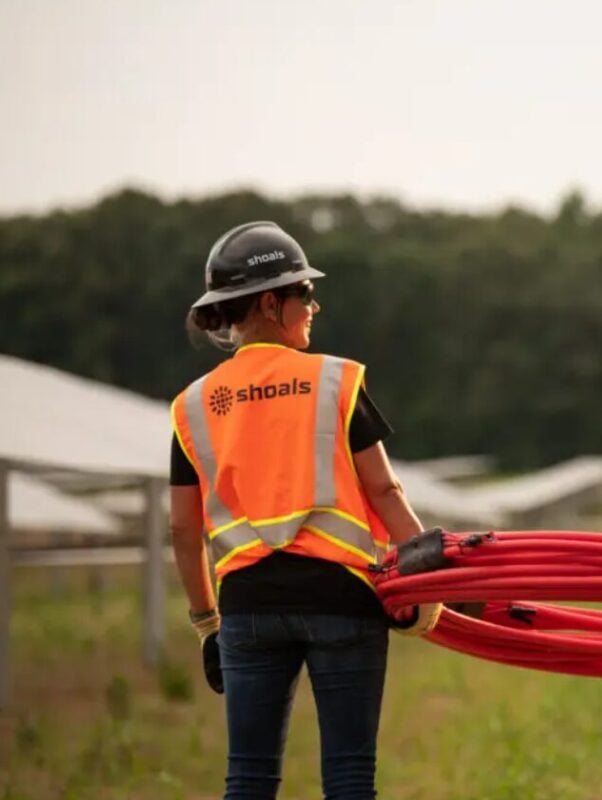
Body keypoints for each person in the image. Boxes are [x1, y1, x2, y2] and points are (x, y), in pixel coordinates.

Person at [168, 220, 427, 800]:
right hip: (344, 601)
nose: (314, 305)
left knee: (250, 777)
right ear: (269, 303)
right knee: (350, 774)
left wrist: (208, 625)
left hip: (248, 611)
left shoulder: (192, 405)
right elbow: (385, 493)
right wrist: (430, 577)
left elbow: (184, 530)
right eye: (303, 294)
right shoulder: (335, 380)